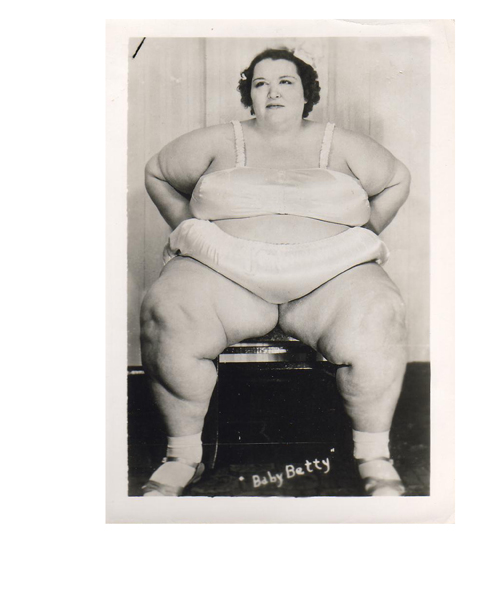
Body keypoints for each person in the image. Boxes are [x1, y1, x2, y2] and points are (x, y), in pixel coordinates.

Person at [140, 47, 411, 496]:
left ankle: (374, 456)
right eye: (260, 83)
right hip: (225, 270)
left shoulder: (341, 144)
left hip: (330, 272)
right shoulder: (215, 141)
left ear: (307, 93)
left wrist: (361, 234)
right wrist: (191, 227)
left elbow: (397, 178)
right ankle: (182, 456)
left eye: (286, 81)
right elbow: (157, 172)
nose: (273, 92)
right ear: (248, 94)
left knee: (382, 311)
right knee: (166, 309)